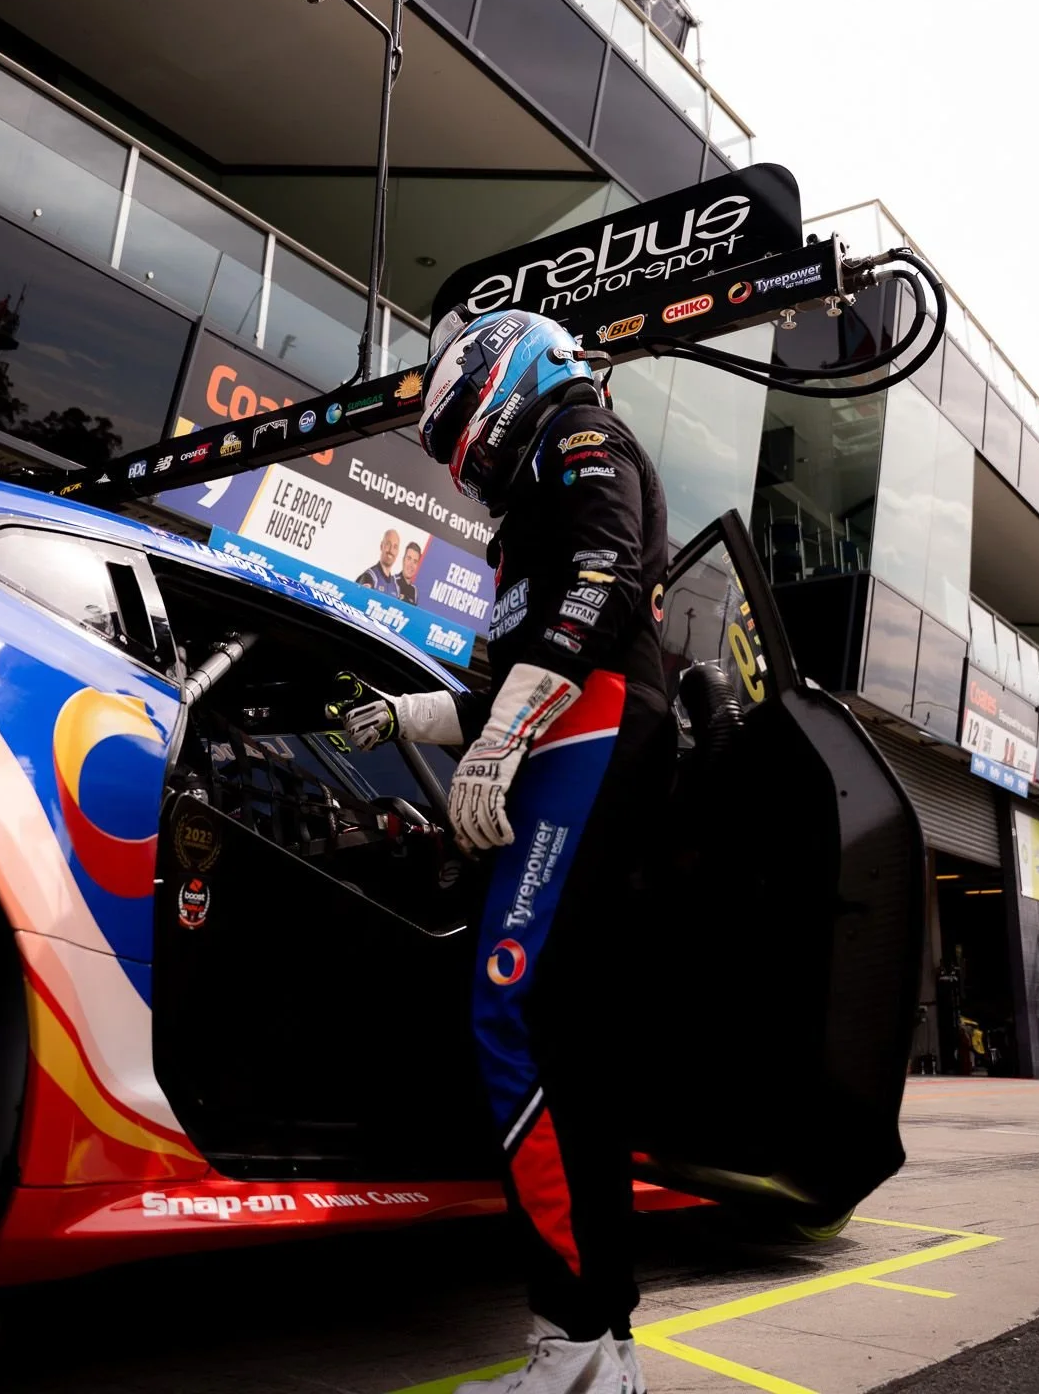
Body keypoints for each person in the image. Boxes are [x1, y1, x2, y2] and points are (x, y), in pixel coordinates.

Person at [336, 306, 673, 1394]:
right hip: (580, 726)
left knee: (510, 1012)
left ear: (503, 375)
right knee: (571, 1048)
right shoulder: (530, 501)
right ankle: (601, 1350)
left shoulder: (582, 432)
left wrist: (503, 737)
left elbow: (600, 588)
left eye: (455, 431)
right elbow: (520, 667)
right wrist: (411, 716)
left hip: (594, 728)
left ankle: (571, 1344)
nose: (458, 457)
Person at [356, 528, 401, 595]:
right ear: (381, 546)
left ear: (397, 552)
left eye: (395, 547)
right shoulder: (369, 577)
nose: (391, 550)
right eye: (388, 544)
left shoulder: (396, 588)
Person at [397, 540, 423, 605]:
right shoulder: (392, 582)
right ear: (403, 560)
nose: (411, 565)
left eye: (415, 562)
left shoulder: (414, 591)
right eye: (409, 558)